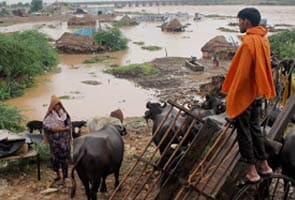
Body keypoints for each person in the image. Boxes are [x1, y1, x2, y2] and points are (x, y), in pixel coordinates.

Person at [221, 8, 276, 184]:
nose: (238, 24)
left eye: (239, 21)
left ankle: (252, 172)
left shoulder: (248, 43)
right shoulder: (263, 40)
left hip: (246, 95)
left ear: (246, 22)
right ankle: (265, 166)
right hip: (257, 94)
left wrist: (232, 98)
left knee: (244, 132)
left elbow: (242, 75)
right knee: (256, 130)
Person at [43, 95, 72, 185]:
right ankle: (58, 175)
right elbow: (45, 126)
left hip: (64, 142)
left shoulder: (64, 115)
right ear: (52, 106)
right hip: (54, 143)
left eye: (58, 105)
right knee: (54, 159)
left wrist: (62, 129)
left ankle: (65, 177)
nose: (57, 107)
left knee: (64, 160)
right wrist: (54, 129)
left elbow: (69, 126)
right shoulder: (49, 116)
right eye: (55, 105)